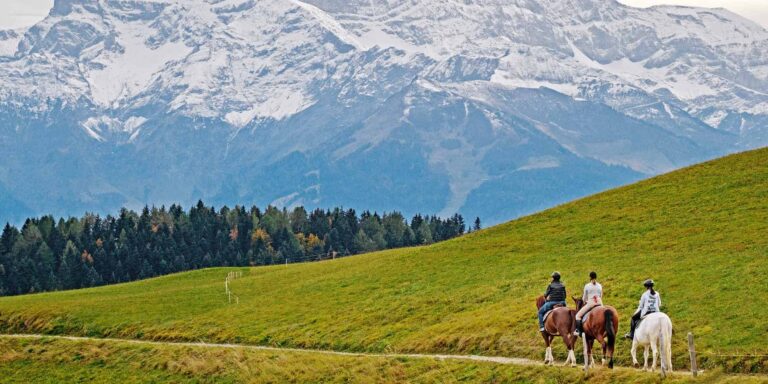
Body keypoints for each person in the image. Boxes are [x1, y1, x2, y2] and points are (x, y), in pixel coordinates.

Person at [574, 271, 602, 336]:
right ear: (596, 277)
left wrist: (585, 302)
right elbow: (600, 296)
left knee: (577, 316)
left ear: (590, 277)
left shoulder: (587, 286)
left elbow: (584, 298)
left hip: (591, 303)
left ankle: (579, 331)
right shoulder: (600, 285)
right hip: (600, 302)